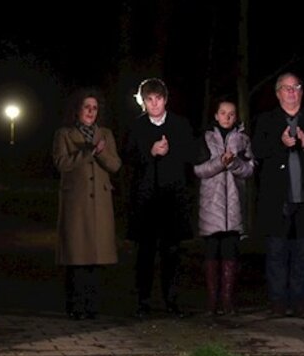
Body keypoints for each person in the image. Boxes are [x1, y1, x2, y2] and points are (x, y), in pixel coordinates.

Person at [252, 72, 304, 318]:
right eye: (286, 88)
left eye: (296, 87)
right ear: (278, 93)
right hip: (277, 201)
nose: (291, 92)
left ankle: (300, 303)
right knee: (276, 252)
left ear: (301, 91)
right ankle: (277, 303)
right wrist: (281, 144)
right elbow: (256, 150)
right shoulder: (266, 121)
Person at [124, 78, 196, 318]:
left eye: (158, 99)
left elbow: (191, 154)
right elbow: (128, 158)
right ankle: (143, 302)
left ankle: (171, 302)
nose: (154, 104)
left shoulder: (180, 125)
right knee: (144, 254)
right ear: (143, 102)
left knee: (172, 255)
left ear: (165, 99)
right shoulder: (136, 127)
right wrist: (150, 152)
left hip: (172, 201)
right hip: (146, 202)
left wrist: (170, 150)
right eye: (149, 100)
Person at [51, 88, 122, 320]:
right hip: (76, 204)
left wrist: (100, 153)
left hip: (100, 204)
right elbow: (61, 163)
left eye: (94, 108)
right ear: (77, 110)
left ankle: (92, 307)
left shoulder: (105, 134)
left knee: (96, 258)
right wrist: (88, 152)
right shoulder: (64, 134)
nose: (91, 112)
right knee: (77, 258)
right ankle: (75, 306)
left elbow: (115, 165)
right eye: (86, 107)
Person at [193, 97, 255, 315]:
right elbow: (198, 170)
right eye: (223, 113)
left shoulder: (243, 140)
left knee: (230, 254)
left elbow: (250, 169)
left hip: (234, 207)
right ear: (216, 115)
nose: (227, 117)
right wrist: (221, 162)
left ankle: (227, 301)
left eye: (231, 114)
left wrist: (234, 163)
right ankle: (212, 301)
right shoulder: (205, 138)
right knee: (211, 255)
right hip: (211, 206)